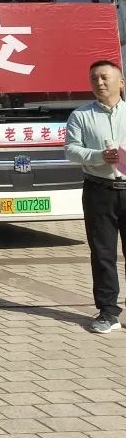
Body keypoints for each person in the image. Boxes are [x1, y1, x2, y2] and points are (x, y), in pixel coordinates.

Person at [65, 59, 126, 334]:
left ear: (121, 82)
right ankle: (108, 312)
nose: (98, 82)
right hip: (99, 190)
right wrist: (99, 156)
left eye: (104, 77)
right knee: (103, 254)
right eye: (93, 78)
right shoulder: (81, 116)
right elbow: (71, 150)